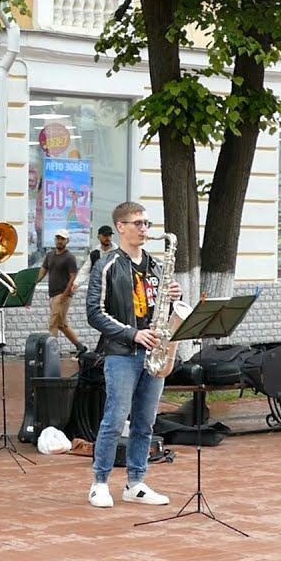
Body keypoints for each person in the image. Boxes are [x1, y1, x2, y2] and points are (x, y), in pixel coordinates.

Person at [84, 201, 182, 508]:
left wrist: (173, 298)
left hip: (154, 352)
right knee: (114, 419)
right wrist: (132, 333)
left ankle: (136, 482)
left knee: (145, 422)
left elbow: (159, 308)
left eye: (146, 224)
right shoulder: (107, 265)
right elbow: (94, 313)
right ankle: (99, 482)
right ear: (121, 228)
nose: (144, 229)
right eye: (137, 223)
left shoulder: (155, 266)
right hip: (122, 354)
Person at [39, 228, 85, 354]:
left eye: (62, 239)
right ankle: (80, 347)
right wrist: (33, 282)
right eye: (58, 238)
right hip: (53, 294)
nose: (59, 241)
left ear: (67, 241)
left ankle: (50, 352)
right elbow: (43, 270)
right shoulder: (50, 255)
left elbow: (73, 276)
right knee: (61, 324)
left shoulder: (69, 257)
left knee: (53, 323)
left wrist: (65, 293)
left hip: (63, 294)